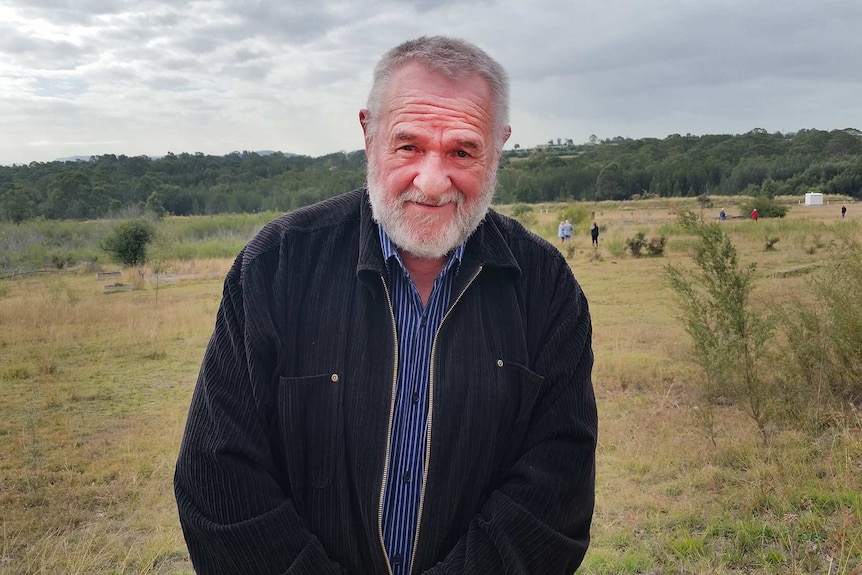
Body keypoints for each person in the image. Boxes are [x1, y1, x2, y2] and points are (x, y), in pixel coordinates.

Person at [174, 36, 597, 575]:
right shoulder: (276, 266)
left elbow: (554, 491)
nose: (432, 180)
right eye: (408, 146)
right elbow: (220, 479)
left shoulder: (546, 288)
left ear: (500, 145)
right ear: (368, 134)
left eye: (462, 151)